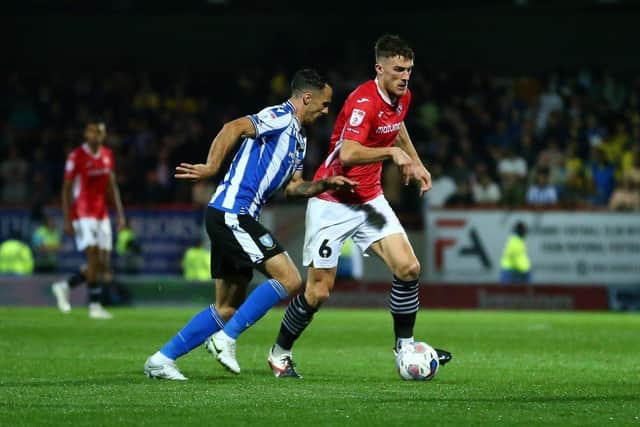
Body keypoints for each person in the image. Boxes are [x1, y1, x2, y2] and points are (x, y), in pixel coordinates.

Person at [143, 68, 356, 380]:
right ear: (306, 98)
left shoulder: (299, 140)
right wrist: (211, 166)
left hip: (233, 216)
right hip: (233, 212)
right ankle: (226, 340)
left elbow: (293, 188)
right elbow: (234, 127)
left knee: (228, 307)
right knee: (290, 279)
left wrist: (325, 185)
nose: (326, 111)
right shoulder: (280, 115)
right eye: (324, 104)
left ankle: (161, 359)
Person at [267, 35, 452, 379]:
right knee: (318, 291)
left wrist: (415, 161)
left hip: (369, 199)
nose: (405, 76)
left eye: (409, 70)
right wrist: (392, 155)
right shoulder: (362, 102)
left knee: (408, 268)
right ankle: (279, 353)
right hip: (332, 203)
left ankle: (405, 347)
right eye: (398, 69)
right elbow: (349, 153)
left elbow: (397, 130)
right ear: (379, 69)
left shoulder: (403, 96)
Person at [51, 119, 126, 319]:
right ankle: (95, 306)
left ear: (103, 135)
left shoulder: (108, 156)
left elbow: (112, 186)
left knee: (102, 264)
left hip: (101, 213)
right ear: (86, 134)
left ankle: (64, 286)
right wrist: (67, 218)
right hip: (82, 212)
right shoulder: (76, 156)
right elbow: (66, 189)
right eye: (92, 132)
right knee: (92, 256)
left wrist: (119, 213)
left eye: (99, 132)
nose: (96, 136)